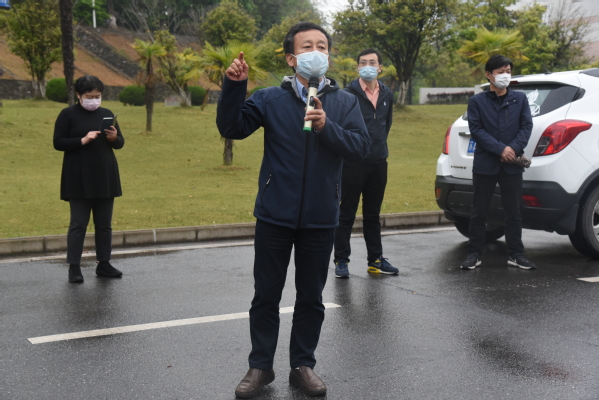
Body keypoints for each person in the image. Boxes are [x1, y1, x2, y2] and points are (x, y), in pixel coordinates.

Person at [217, 22, 370, 399]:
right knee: (265, 295)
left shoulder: (345, 102)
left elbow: (360, 148)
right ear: (291, 58)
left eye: (322, 46)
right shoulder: (270, 98)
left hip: (321, 216)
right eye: (307, 46)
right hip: (275, 214)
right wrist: (235, 86)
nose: (316, 52)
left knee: (311, 297)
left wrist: (326, 127)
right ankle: (260, 365)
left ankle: (303, 365)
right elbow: (232, 127)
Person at [461, 55, 536, 270]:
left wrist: (513, 148)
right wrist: (500, 149)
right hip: (485, 164)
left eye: (508, 71)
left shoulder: (520, 99)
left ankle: (516, 254)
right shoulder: (477, 101)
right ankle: (474, 254)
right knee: (479, 212)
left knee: (513, 212)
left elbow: (526, 126)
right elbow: (477, 130)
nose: (505, 75)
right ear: (489, 74)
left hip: (511, 164)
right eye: (500, 72)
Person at [333, 49, 398, 279]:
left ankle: (376, 260)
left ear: (380, 68)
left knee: (373, 214)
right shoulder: (346, 94)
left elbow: (386, 125)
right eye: (363, 63)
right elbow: (339, 129)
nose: (368, 66)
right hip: (352, 162)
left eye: (372, 62)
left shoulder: (387, 94)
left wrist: (377, 148)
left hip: (378, 162)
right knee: (346, 214)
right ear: (357, 67)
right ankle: (341, 260)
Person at [53, 75, 125, 283]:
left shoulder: (107, 114)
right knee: (78, 224)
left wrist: (114, 138)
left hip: (105, 175)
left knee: (104, 224)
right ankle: (74, 267)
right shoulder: (68, 114)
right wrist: (82, 140)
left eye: (97, 96)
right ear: (79, 95)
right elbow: (58, 142)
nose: (94, 100)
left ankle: (104, 264)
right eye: (89, 96)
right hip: (78, 176)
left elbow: (120, 142)